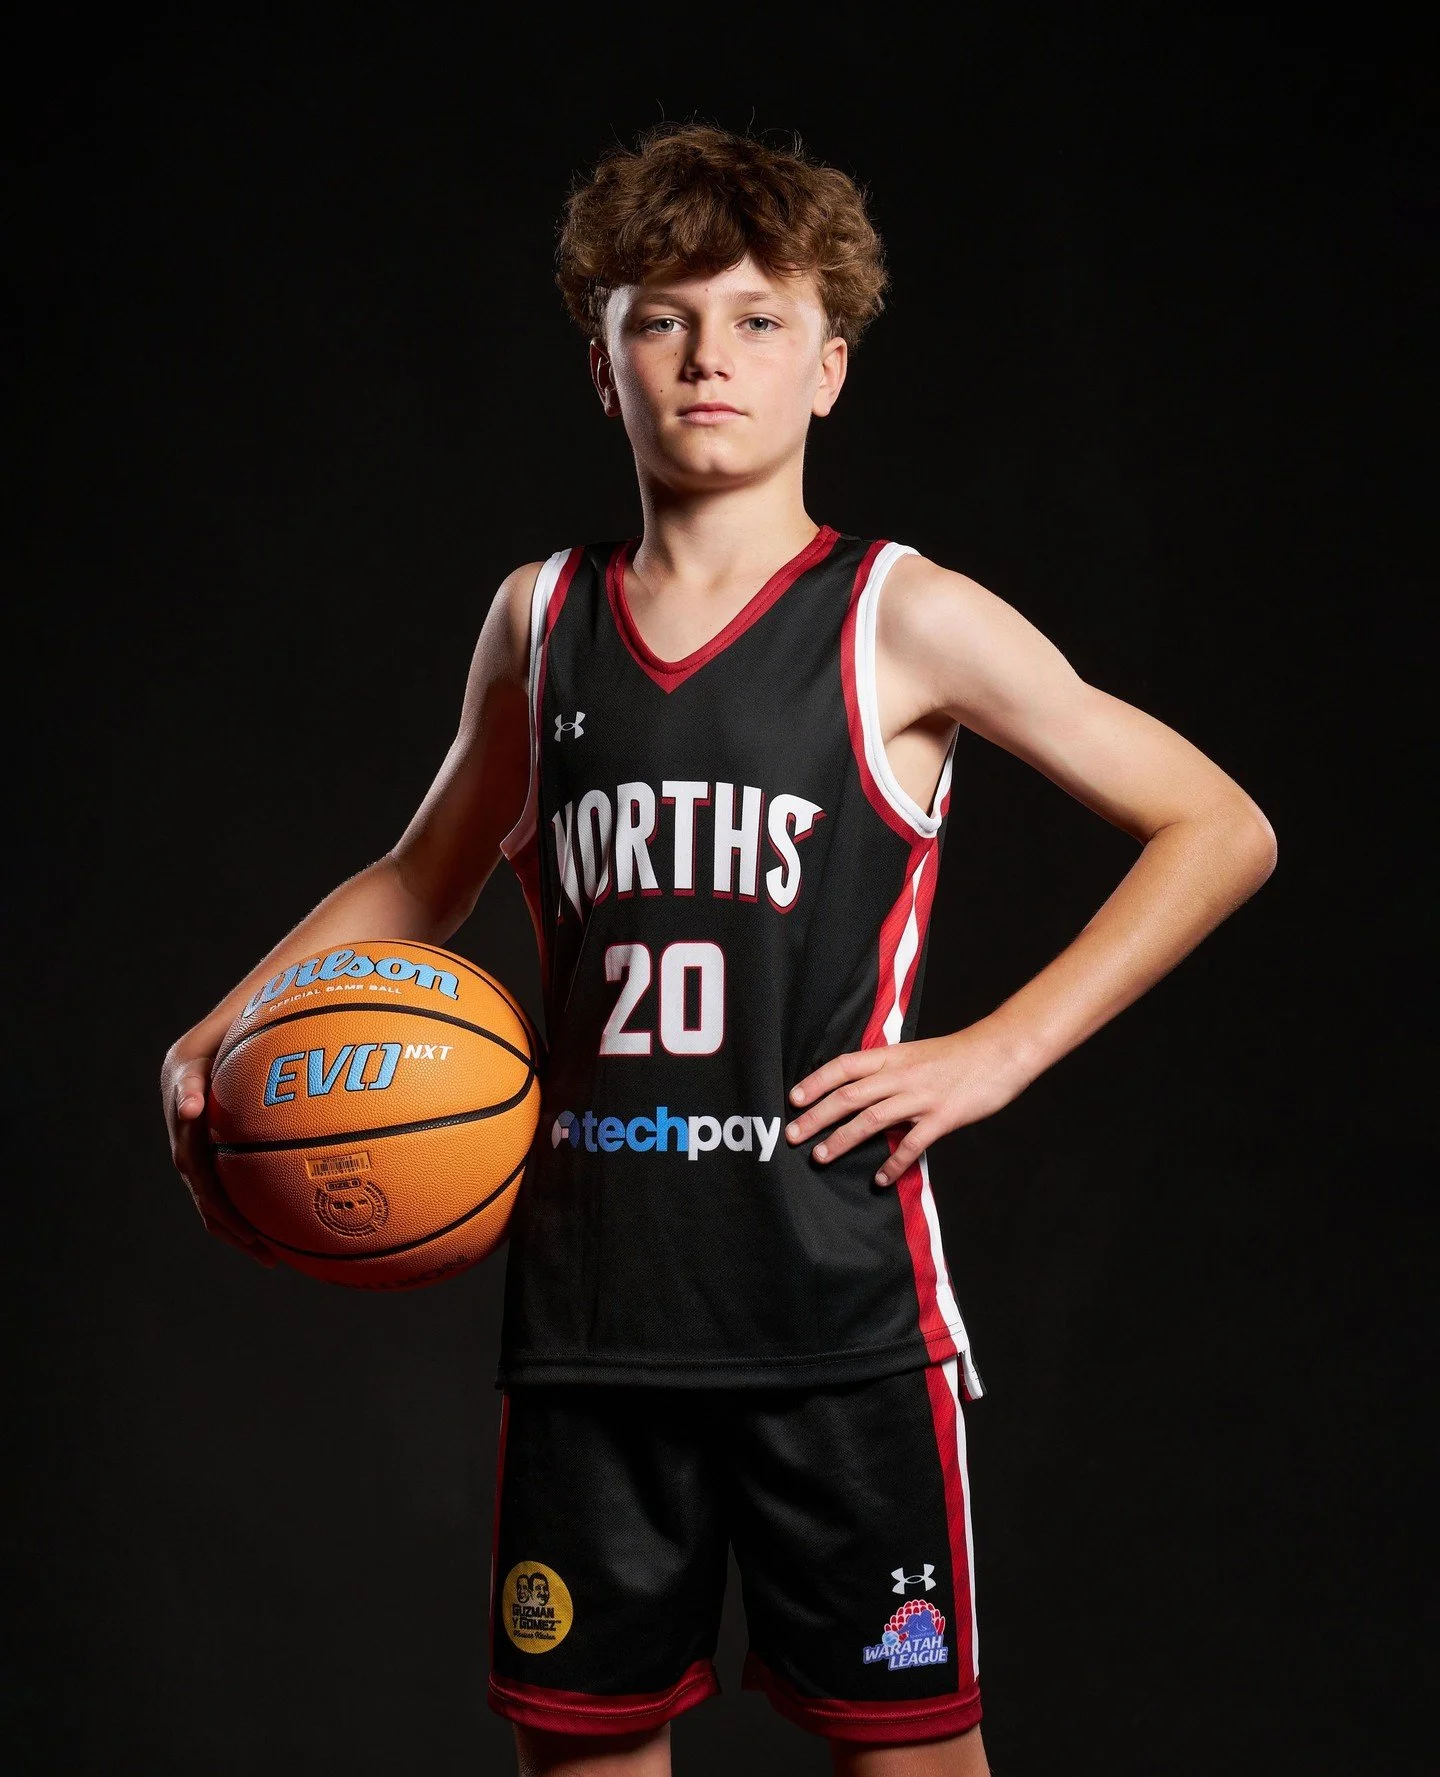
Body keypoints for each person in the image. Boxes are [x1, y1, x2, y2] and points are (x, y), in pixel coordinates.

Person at [161, 124, 1276, 1776]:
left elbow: (1220, 826)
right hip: (595, 1311)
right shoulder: (541, 621)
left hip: (837, 1312)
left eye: (759, 320)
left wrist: (999, 1051)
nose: (709, 358)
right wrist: (228, 1029)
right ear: (601, 367)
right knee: (587, 1756)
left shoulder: (902, 615)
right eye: (661, 318)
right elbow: (420, 876)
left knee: (913, 1754)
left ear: (831, 366)